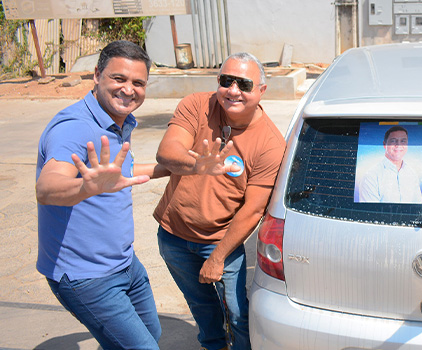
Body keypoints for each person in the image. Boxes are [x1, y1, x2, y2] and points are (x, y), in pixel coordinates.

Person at [35, 40, 169, 349]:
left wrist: (178, 169)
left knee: (152, 335)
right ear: (97, 75)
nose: (128, 89)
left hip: (124, 263)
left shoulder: (116, 121)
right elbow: (47, 187)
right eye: (118, 79)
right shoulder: (74, 127)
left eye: (138, 82)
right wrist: (85, 187)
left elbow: (123, 175)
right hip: (87, 277)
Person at [153, 52, 285, 350]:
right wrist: (199, 166)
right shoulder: (197, 105)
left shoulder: (270, 145)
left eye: (244, 84)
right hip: (173, 236)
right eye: (227, 81)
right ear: (218, 82)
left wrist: (218, 257)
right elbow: (167, 152)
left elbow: (253, 210)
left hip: (220, 242)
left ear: (261, 90)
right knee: (200, 305)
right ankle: (214, 345)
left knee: (238, 314)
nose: (234, 90)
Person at [359, 126, 422, 203]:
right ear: (384, 144)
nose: (398, 145)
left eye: (403, 141)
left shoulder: (412, 174)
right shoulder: (371, 176)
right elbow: (371, 212)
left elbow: (418, 206)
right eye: (393, 141)